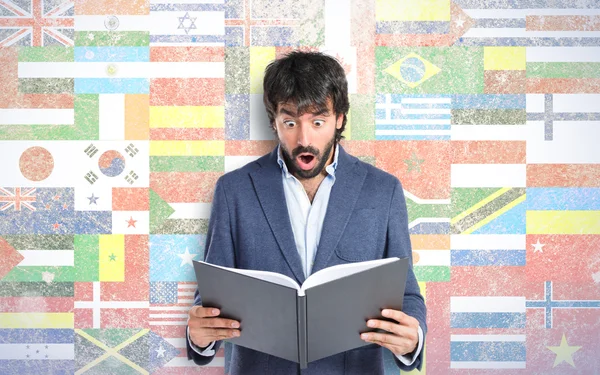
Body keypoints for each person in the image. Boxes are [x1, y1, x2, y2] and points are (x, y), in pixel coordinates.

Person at [186, 51, 426, 374]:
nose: (304, 139)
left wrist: (413, 339)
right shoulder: (234, 191)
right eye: (289, 122)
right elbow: (211, 302)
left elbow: (407, 294)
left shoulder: (383, 191)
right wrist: (199, 335)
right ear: (274, 120)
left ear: (339, 118)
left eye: (317, 121)